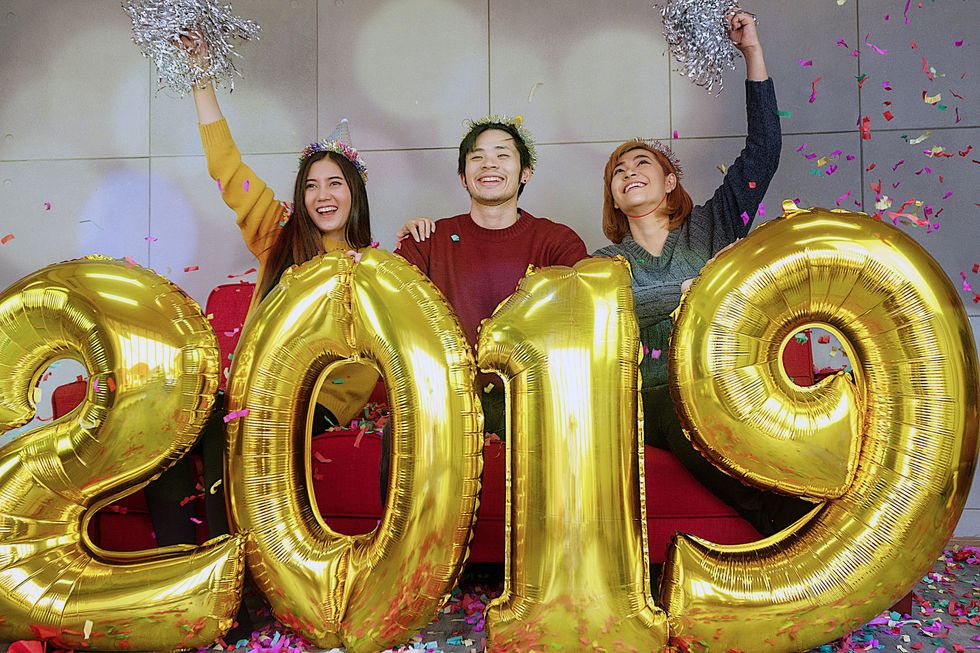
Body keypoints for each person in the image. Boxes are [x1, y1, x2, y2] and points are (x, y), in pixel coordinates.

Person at [144, 34, 378, 546]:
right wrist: (201, 77)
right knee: (176, 432)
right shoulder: (278, 236)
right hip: (253, 392)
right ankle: (180, 566)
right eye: (312, 185)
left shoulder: (375, 270)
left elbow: (360, 368)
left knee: (230, 434)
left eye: (335, 183)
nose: (323, 195)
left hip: (317, 400)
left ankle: (239, 583)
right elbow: (229, 170)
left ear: (354, 193)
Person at [592, 8, 811, 537]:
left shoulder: (713, 226)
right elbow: (611, 318)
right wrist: (687, 290)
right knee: (672, 401)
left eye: (642, 164)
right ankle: (795, 527)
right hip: (650, 399)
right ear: (615, 198)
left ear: (669, 182)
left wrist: (752, 52)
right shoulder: (604, 264)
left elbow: (762, 154)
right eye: (618, 172)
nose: (629, 174)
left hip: (722, 385)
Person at [387, 116, 589, 497]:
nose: (490, 164)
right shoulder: (429, 240)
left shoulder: (557, 241)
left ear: (525, 172)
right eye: (477, 158)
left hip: (531, 397)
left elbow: (578, 321)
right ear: (464, 177)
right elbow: (393, 311)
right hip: (448, 397)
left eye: (502, 155)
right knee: (401, 428)